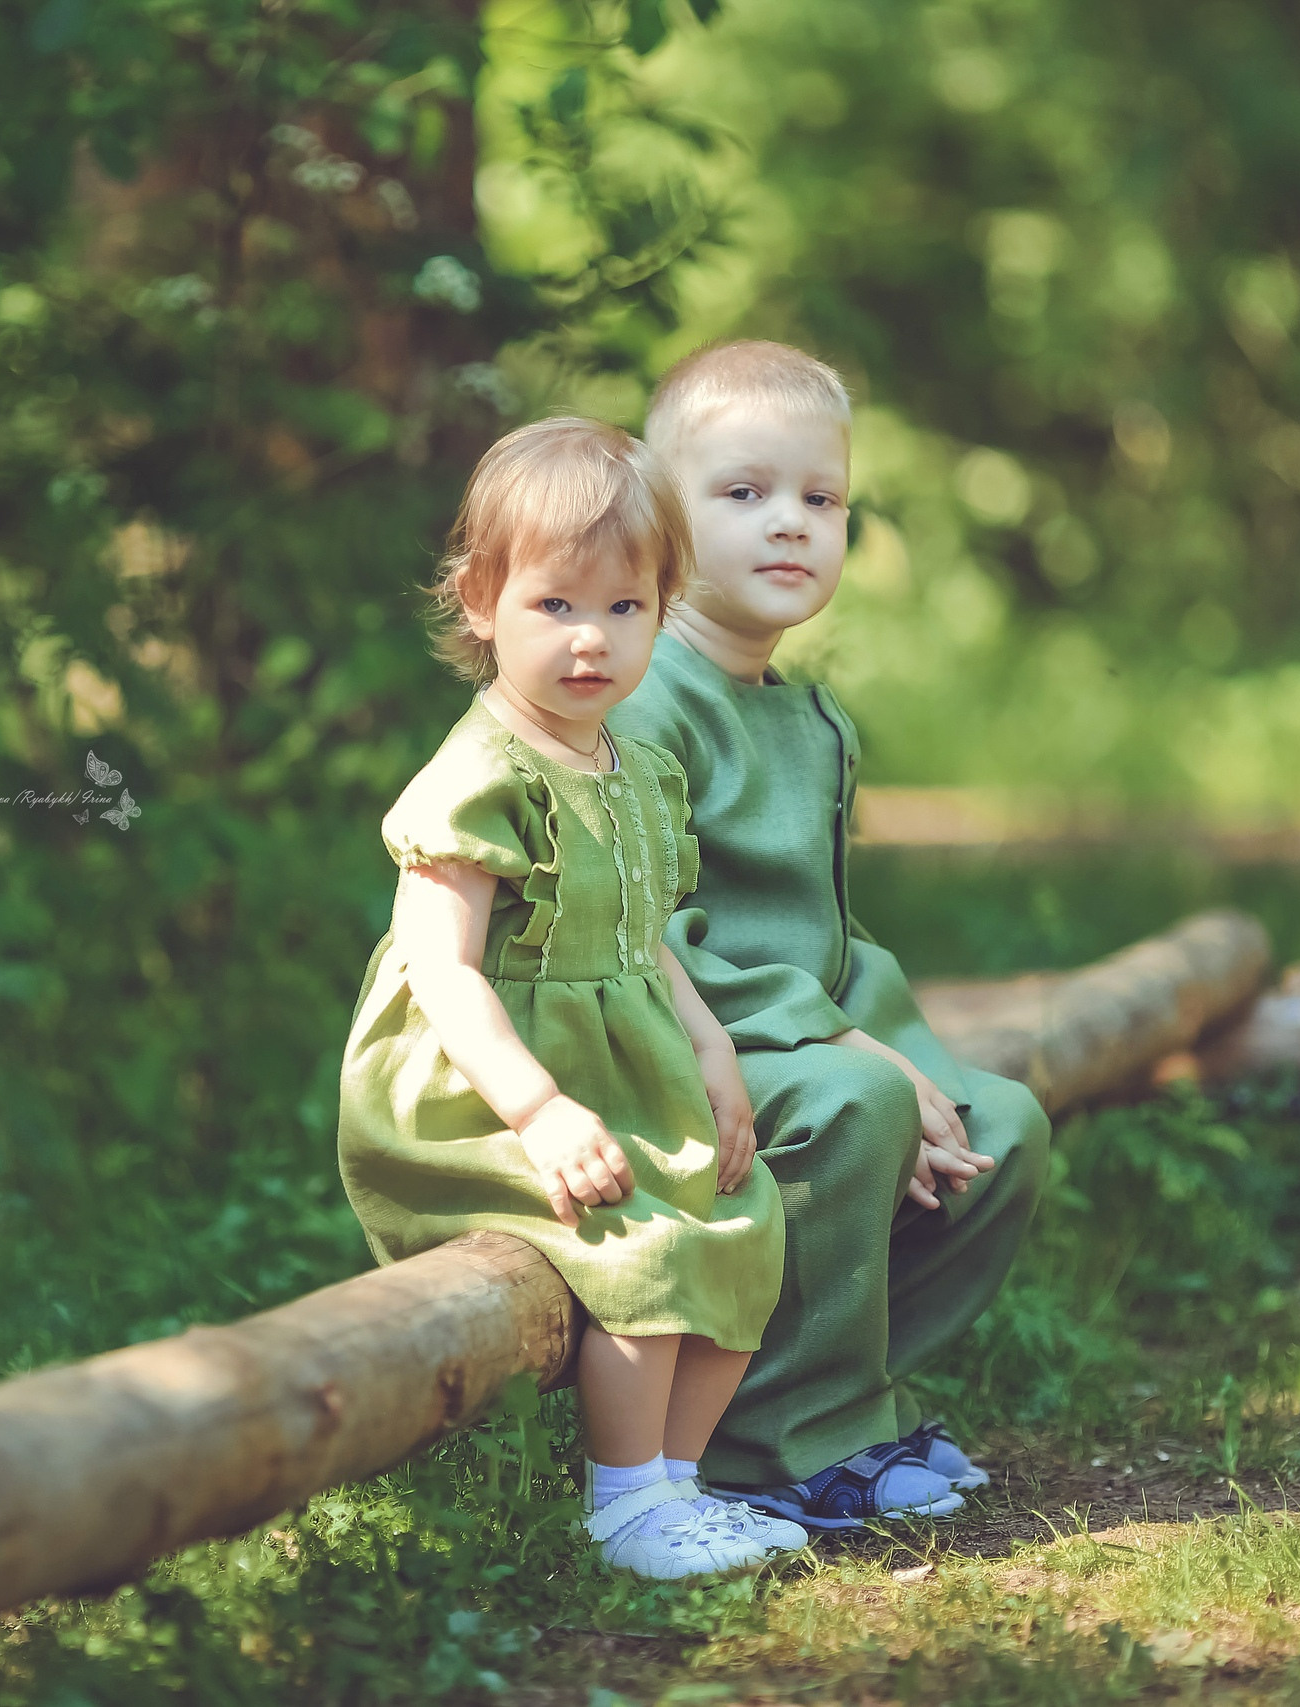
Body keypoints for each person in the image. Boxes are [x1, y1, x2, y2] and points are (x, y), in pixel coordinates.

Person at [337, 416, 805, 1578]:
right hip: (483, 1088)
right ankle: (622, 1504)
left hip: (619, 1064)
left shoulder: (635, 765)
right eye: (555, 606)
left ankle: (678, 1485)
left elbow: (648, 940)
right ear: (481, 602)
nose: (591, 641)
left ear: (662, 610)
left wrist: (708, 1048)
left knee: (741, 1227)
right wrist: (539, 1112)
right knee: (639, 1244)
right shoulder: (480, 775)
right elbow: (441, 969)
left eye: (625, 609)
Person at [605, 340, 1053, 1532]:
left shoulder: (809, 719)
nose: (789, 524)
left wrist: (909, 1063)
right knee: (859, 1111)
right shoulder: (641, 704)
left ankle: (835, 1403)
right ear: (661, 514)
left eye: (821, 499)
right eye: (742, 494)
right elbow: (652, 936)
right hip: (674, 1041)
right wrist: (864, 1067)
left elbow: (834, 938)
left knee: (1001, 1129)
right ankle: (774, 1447)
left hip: (807, 1046)